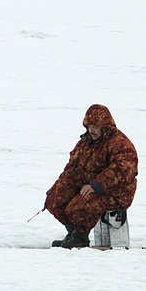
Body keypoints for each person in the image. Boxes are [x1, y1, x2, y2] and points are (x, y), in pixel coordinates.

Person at [44, 104, 138, 248]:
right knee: (55, 198)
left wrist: (96, 185)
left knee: (81, 205)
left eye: (96, 127)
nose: (92, 130)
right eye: (90, 126)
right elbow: (73, 166)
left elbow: (123, 170)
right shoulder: (85, 143)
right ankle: (73, 234)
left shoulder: (119, 143)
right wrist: (64, 183)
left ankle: (80, 237)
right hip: (87, 186)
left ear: (105, 126)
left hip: (115, 192)